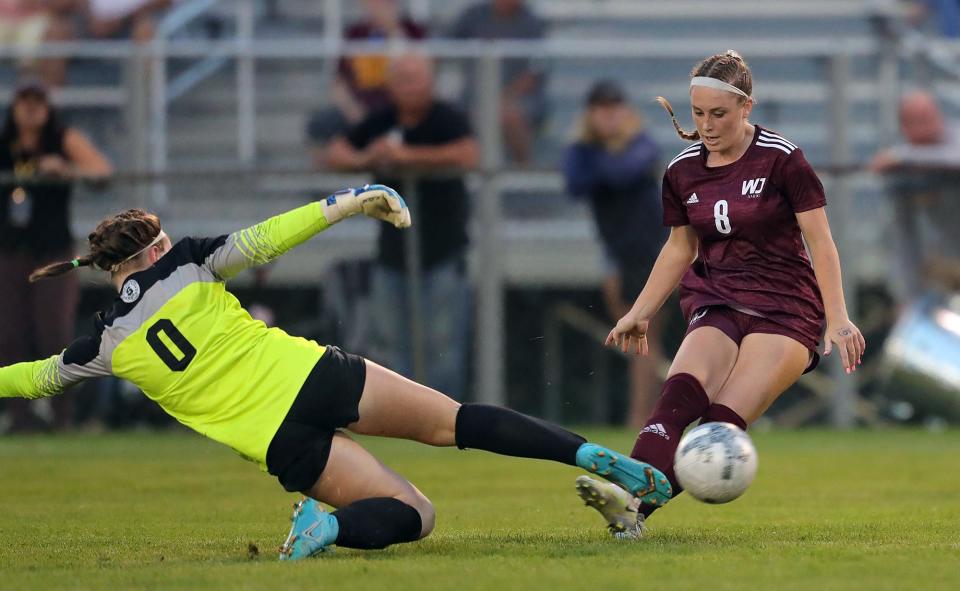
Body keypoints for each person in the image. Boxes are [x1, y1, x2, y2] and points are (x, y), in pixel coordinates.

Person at [0, 184, 673, 560]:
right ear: (152, 250)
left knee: (415, 514)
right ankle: (600, 458)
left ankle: (329, 528)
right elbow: (266, 237)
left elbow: (33, 379)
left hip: (279, 441)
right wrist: (347, 203)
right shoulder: (185, 263)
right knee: (456, 422)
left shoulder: (104, 340)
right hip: (313, 376)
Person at [574, 50, 866, 539]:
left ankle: (632, 509)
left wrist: (837, 317)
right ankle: (627, 506)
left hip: (787, 310)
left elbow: (820, 240)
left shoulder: (782, 159)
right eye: (698, 113)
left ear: (746, 107)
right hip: (717, 299)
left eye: (719, 114)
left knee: (717, 425)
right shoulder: (682, 170)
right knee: (674, 402)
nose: (706, 126)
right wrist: (640, 312)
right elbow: (679, 248)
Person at [326, 53, 477, 400]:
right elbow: (335, 152)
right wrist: (369, 158)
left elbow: (469, 155)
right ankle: (401, 415)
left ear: (430, 81)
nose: (409, 87)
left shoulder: (448, 118)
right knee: (391, 343)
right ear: (390, 86)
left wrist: (407, 157)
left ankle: (448, 416)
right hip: (391, 252)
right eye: (402, 79)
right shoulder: (382, 121)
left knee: (442, 342)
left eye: (416, 78)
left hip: (444, 250)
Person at [0, 81, 113, 433]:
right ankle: (20, 417)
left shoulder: (61, 139)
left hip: (52, 252)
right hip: (9, 251)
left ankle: (62, 416)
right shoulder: (5, 144)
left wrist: (66, 170)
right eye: (25, 101)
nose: (31, 110)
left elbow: (101, 172)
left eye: (38, 102)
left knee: (55, 335)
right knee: (10, 336)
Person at [563, 79, 667, 427]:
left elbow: (623, 172)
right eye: (601, 110)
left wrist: (600, 161)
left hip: (651, 252)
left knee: (643, 340)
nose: (609, 117)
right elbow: (575, 181)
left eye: (614, 109)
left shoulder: (641, 143)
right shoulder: (586, 150)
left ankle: (641, 418)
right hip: (617, 253)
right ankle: (643, 416)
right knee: (639, 342)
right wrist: (601, 159)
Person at [307, 0, 427, 166]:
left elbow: (421, 71)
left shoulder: (413, 31)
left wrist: (392, 31)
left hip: (398, 108)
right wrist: (356, 113)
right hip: (360, 109)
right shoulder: (355, 33)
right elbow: (338, 82)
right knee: (322, 122)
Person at [869, 90, 960, 300]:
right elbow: (904, 235)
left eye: (927, 118)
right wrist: (908, 296)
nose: (924, 127)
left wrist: (904, 156)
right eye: (915, 121)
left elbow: (955, 159)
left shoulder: (904, 158)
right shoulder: (903, 172)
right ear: (904, 127)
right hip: (943, 266)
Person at [449, 0, 548, 166]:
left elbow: (536, 70)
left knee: (505, 113)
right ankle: (473, 170)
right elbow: (443, 46)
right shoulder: (473, 15)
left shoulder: (532, 22)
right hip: (473, 96)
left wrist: (502, 96)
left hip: (517, 98)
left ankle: (522, 169)